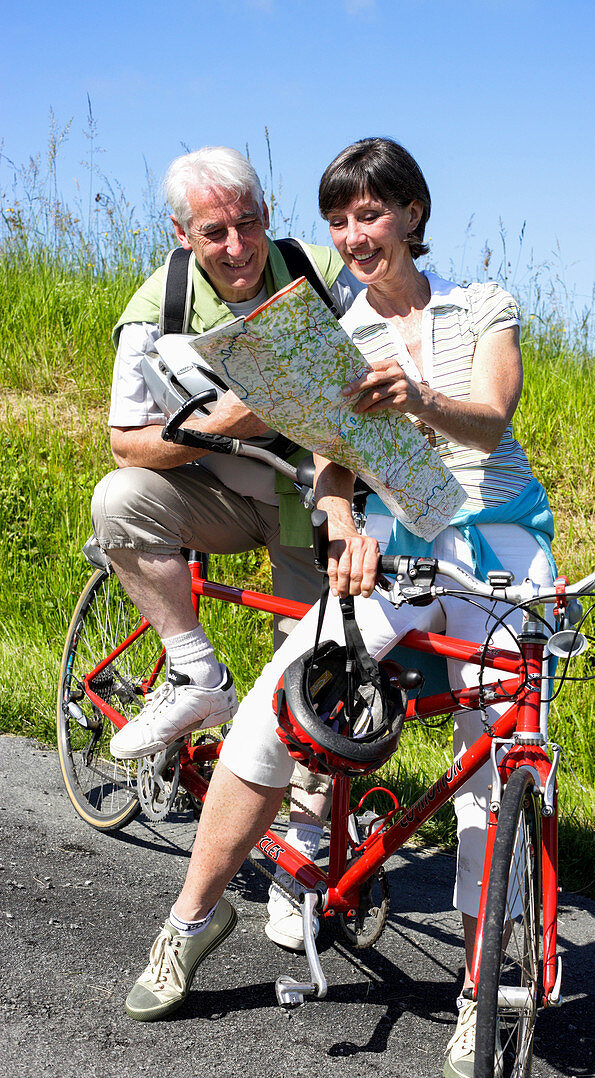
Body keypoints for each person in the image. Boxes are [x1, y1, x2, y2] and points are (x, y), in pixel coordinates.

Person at [121, 138, 555, 1078]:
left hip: (505, 556)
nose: (356, 236)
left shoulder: (479, 305)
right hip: (395, 550)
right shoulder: (340, 326)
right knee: (274, 713)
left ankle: (483, 994)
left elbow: (490, 418)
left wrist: (421, 398)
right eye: (339, 221)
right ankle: (191, 919)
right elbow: (330, 457)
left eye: (371, 213)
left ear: (410, 212)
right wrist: (339, 518)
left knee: (498, 761)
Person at [92, 146, 362, 952]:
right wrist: (220, 427)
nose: (237, 246)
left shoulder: (321, 273)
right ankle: (194, 674)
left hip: (316, 496)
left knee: (321, 682)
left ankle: (301, 860)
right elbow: (125, 442)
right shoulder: (156, 307)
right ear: (182, 234)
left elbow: (374, 374)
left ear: (269, 215)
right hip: (219, 489)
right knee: (119, 501)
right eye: (215, 232)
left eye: (249, 223)